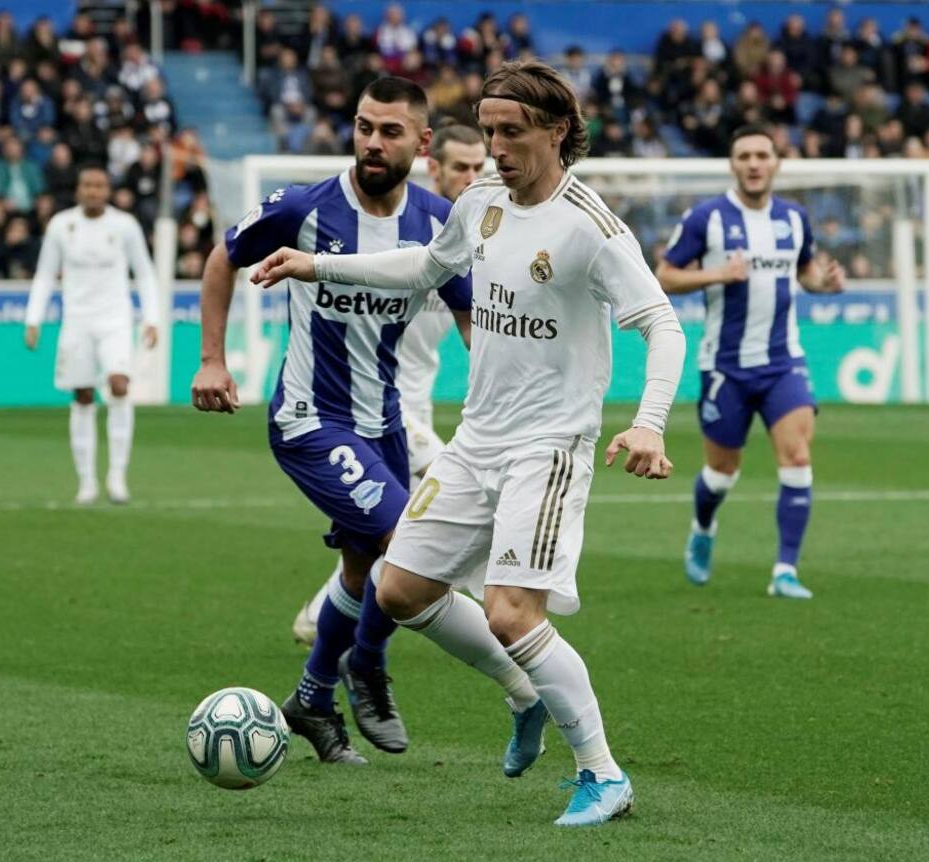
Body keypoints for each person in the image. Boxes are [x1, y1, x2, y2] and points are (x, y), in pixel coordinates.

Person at [249, 58, 685, 827]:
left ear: (558, 130)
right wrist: (317, 265)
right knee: (398, 590)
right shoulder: (481, 198)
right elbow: (428, 265)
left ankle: (603, 774)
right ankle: (529, 695)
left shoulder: (590, 225)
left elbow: (662, 324)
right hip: (476, 440)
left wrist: (649, 421)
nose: (496, 149)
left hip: (547, 447)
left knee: (512, 613)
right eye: (488, 132)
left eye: (512, 133)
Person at [191, 78, 473, 766]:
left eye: (390, 131)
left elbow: (472, 317)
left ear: (422, 143)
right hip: (310, 418)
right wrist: (212, 361)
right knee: (411, 545)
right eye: (363, 126)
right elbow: (224, 257)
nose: (373, 142)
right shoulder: (303, 206)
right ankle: (366, 663)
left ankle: (313, 697)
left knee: (361, 567)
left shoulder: (439, 222)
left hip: (385, 423)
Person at [291, 122, 487, 646]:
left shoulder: (470, 238)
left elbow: (475, 324)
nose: (471, 178)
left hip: (408, 404)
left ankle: (329, 620)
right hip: (370, 403)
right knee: (443, 512)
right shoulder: (404, 230)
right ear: (433, 166)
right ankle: (488, 611)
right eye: (460, 167)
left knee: (392, 531)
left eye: (478, 168)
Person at [655, 124, 846, 599]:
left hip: (784, 361)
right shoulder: (706, 218)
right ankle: (703, 527)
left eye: (762, 155)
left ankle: (785, 571)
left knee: (797, 457)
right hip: (725, 366)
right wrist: (719, 274)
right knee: (721, 472)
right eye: (745, 156)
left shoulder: (795, 218)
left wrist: (823, 284)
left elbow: (804, 272)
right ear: (733, 164)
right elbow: (665, 275)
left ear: (776, 162)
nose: (754, 164)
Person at [24, 165, 159, 505]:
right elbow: (45, 274)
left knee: (119, 385)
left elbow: (144, 272)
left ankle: (117, 476)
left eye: (100, 186)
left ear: (108, 190)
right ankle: (86, 482)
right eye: (88, 185)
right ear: (78, 189)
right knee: (83, 395)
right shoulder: (61, 225)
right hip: (77, 321)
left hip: (115, 320)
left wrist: (152, 317)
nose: (94, 191)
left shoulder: (124, 225)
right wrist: (33, 318)